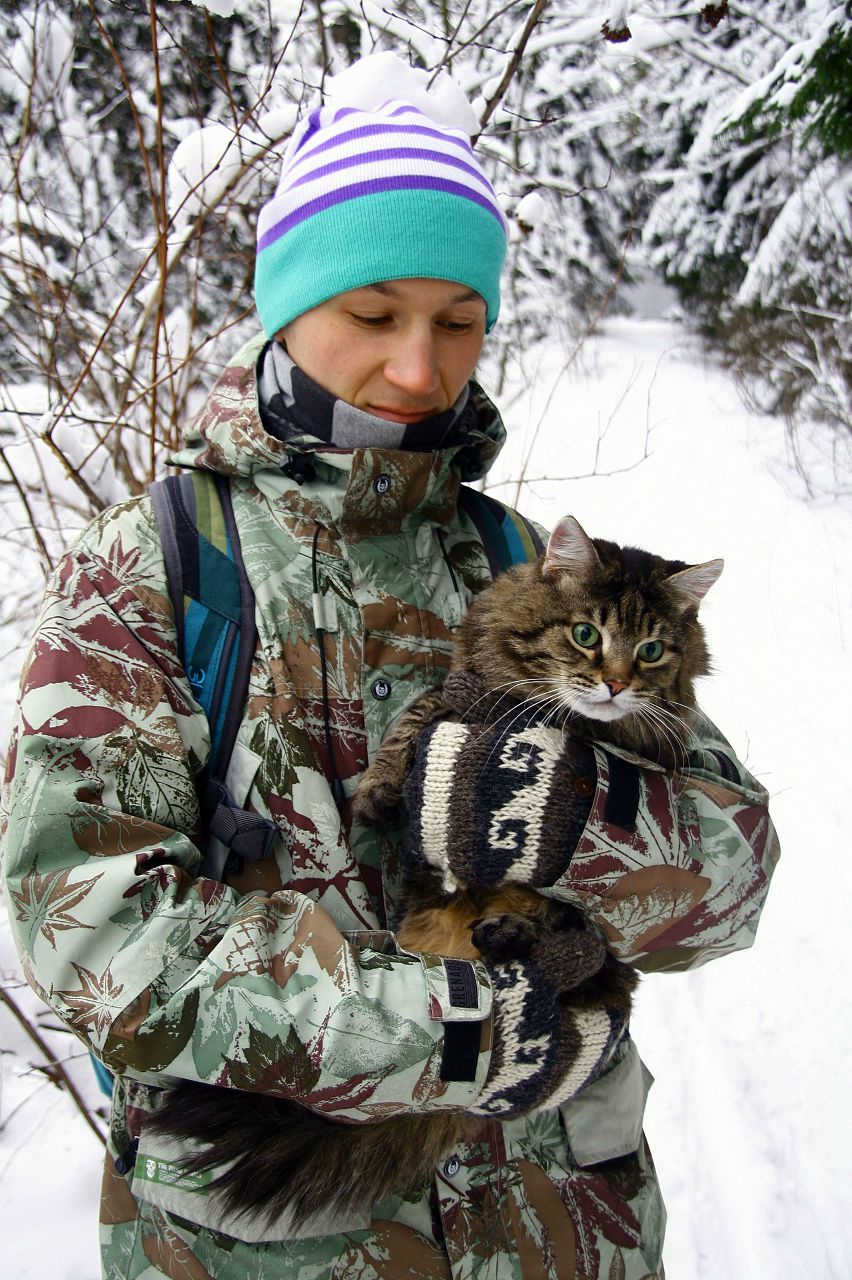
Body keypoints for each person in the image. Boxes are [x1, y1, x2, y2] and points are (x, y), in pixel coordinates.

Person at [0, 54, 778, 1280]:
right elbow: (91, 933)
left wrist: (588, 826)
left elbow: (736, 880)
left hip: (565, 1225)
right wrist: (455, 1030)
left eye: (459, 320)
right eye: (373, 316)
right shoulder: (151, 570)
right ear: (286, 307)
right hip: (280, 1237)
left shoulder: (530, 562)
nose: (421, 369)